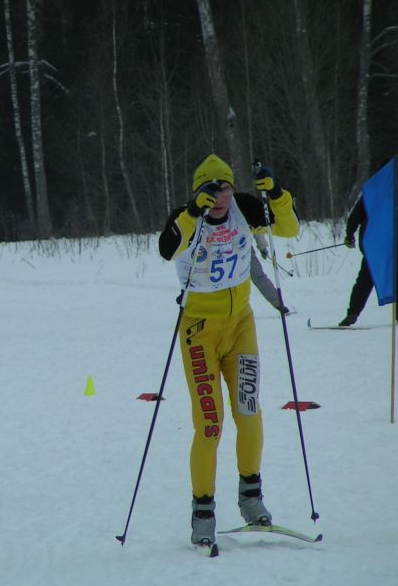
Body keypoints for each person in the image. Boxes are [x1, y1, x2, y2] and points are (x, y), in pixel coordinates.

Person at [158, 153, 299, 549]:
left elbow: (289, 228)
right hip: (199, 332)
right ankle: (203, 512)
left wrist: (279, 195)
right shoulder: (186, 217)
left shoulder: (245, 207)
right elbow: (166, 250)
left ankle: (251, 498)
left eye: (223, 186)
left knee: (249, 413)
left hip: (241, 328)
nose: (219, 196)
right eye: (210, 188)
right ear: (197, 191)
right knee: (210, 424)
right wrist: (190, 213)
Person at [339, 189, 398, 327]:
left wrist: (349, 235)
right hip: (395, 245)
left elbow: (354, 217)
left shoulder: (372, 193)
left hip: (378, 245)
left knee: (365, 280)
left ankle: (353, 314)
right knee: (397, 277)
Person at [250, 232, 290, 315]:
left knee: (259, 277)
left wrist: (262, 246)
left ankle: (279, 304)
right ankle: (279, 305)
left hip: (242, 249)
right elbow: (256, 228)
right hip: (242, 249)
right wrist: (262, 246)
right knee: (259, 278)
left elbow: (255, 228)